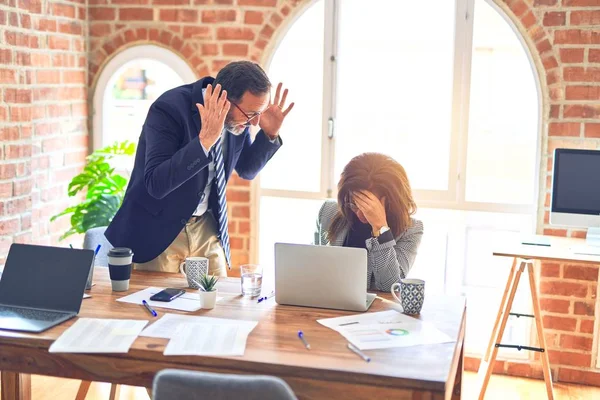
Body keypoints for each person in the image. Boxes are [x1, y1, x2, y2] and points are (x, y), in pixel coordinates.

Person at [105, 61, 294, 276]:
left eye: (259, 113)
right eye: (251, 114)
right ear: (224, 99)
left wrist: (269, 134)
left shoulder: (238, 120)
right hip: (158, 230)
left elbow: (246, 170)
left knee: (216, 303)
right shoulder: (169, 108)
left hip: (206, 228)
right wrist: (204, 141)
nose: (254, 123)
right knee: (159, 304)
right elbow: (156, 183)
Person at [317, 153, 423, 291]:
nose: (360, 214)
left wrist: (380, 228)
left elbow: (390, 286)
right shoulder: (328, 211)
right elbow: (318, 268)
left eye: (369, 207)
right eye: (354, 204)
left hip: (377, 310)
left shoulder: (411, 230)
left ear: (392, 202)